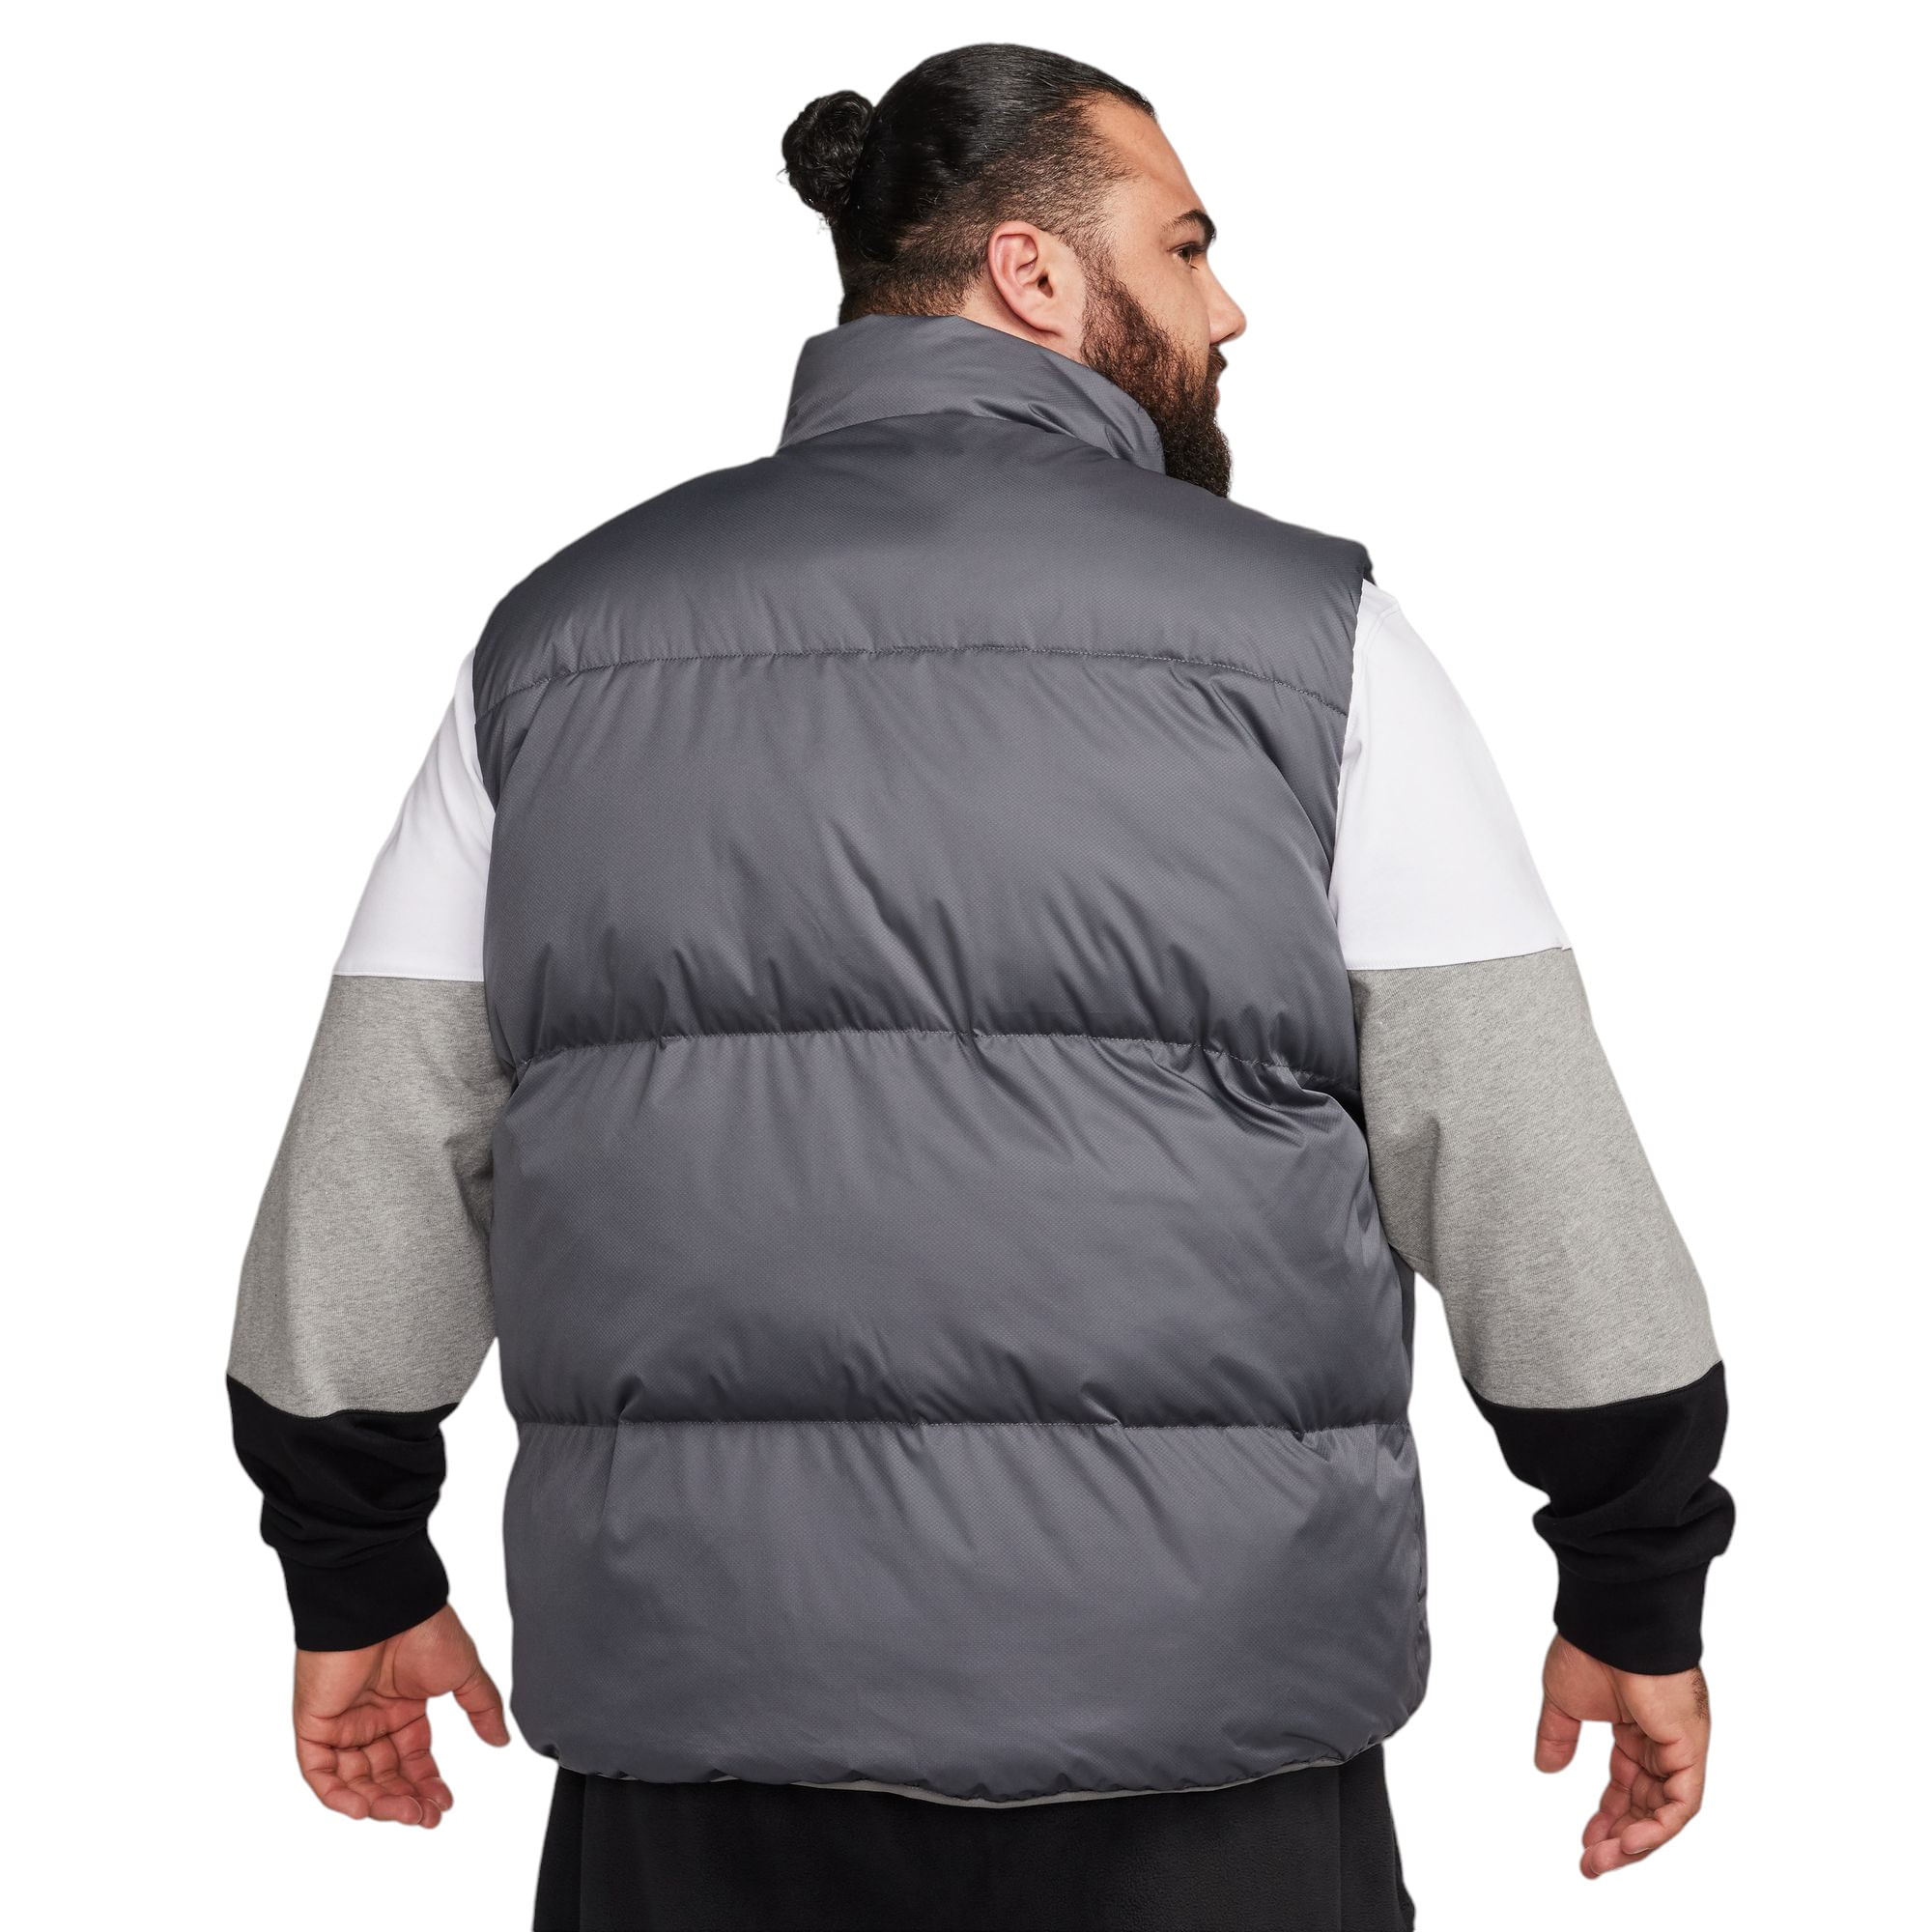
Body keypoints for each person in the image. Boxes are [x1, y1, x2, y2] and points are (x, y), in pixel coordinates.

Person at [227, 43, 1734, 1932]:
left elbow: (373, 1160)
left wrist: (356, 1570)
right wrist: (1634, 1583)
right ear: (1033, 271)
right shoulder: (1314, 640)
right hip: (1202, 1759)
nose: (1228, 308)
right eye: (1185, 247)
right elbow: (1526, 1159)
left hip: (705, 1741)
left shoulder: (557, 644)